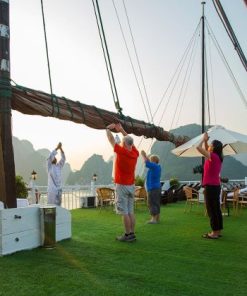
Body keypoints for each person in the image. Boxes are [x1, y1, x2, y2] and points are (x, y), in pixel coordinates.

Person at [106, 123, 139, 242]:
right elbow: (130, 142)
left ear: (124, 144)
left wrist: (107, 128)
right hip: (131, 186)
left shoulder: (121, 151)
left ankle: (127, 234)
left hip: (121, 186)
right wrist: (122, 130)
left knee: (124, 212)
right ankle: (132, 234)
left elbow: (110, 139)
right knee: (130, 211)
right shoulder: (135, 154)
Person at [196, 133, 223, 239]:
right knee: (216, 209)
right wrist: (207, 141)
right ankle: (218, 231)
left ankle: (214, 233)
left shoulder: (212, 156)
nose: (209, 147)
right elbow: (207, 148)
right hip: (215, 186)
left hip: (211, 187)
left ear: (214, 147)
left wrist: (203, 139)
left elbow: (198, 147)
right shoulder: (217, 157)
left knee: (211, 210)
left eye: (211, 145)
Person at [141, 151, 161, 224]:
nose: (150, 161)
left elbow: (147, 163)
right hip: (156, 187)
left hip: (153, 188)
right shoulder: (157, 167)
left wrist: (143, 155)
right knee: (156, 203)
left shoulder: (154, 166)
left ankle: (154, 219)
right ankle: (157, 218)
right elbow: (148, 162)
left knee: (151, 203)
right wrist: (146, 157)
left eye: (151, 159)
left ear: (154, 161)